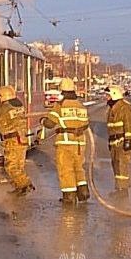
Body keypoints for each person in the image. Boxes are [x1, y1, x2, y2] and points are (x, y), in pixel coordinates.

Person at [41, 77, 90, 206]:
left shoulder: (60, 106)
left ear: (61, 90)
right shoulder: (81, 106)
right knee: (79, 168)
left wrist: (42, 120)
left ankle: (69, 197)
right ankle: (83, 192)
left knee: (66, 169)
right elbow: (85, 124)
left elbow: (50, 124)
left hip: (65, 142)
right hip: (80, 143)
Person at [0, 85, 34, 195]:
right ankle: (20, 188)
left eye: (0, 96)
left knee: (11, 166)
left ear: (5, 96)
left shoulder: (5, 107)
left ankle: (25, 184)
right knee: (19, 165)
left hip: (12, 140)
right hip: (22, 138)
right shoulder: (18, 104)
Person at [106, 84, 131, 197]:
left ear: (114, 94)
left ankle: (123, 191)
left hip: (122, 141)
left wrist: (128, 140)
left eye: (108, 95)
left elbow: (129, 124)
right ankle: (119, 189)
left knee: (122, 165)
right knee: (115, 165)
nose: (106, 97)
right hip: (115, 142)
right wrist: (110, 140)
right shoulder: (112, 108)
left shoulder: (124, 107)